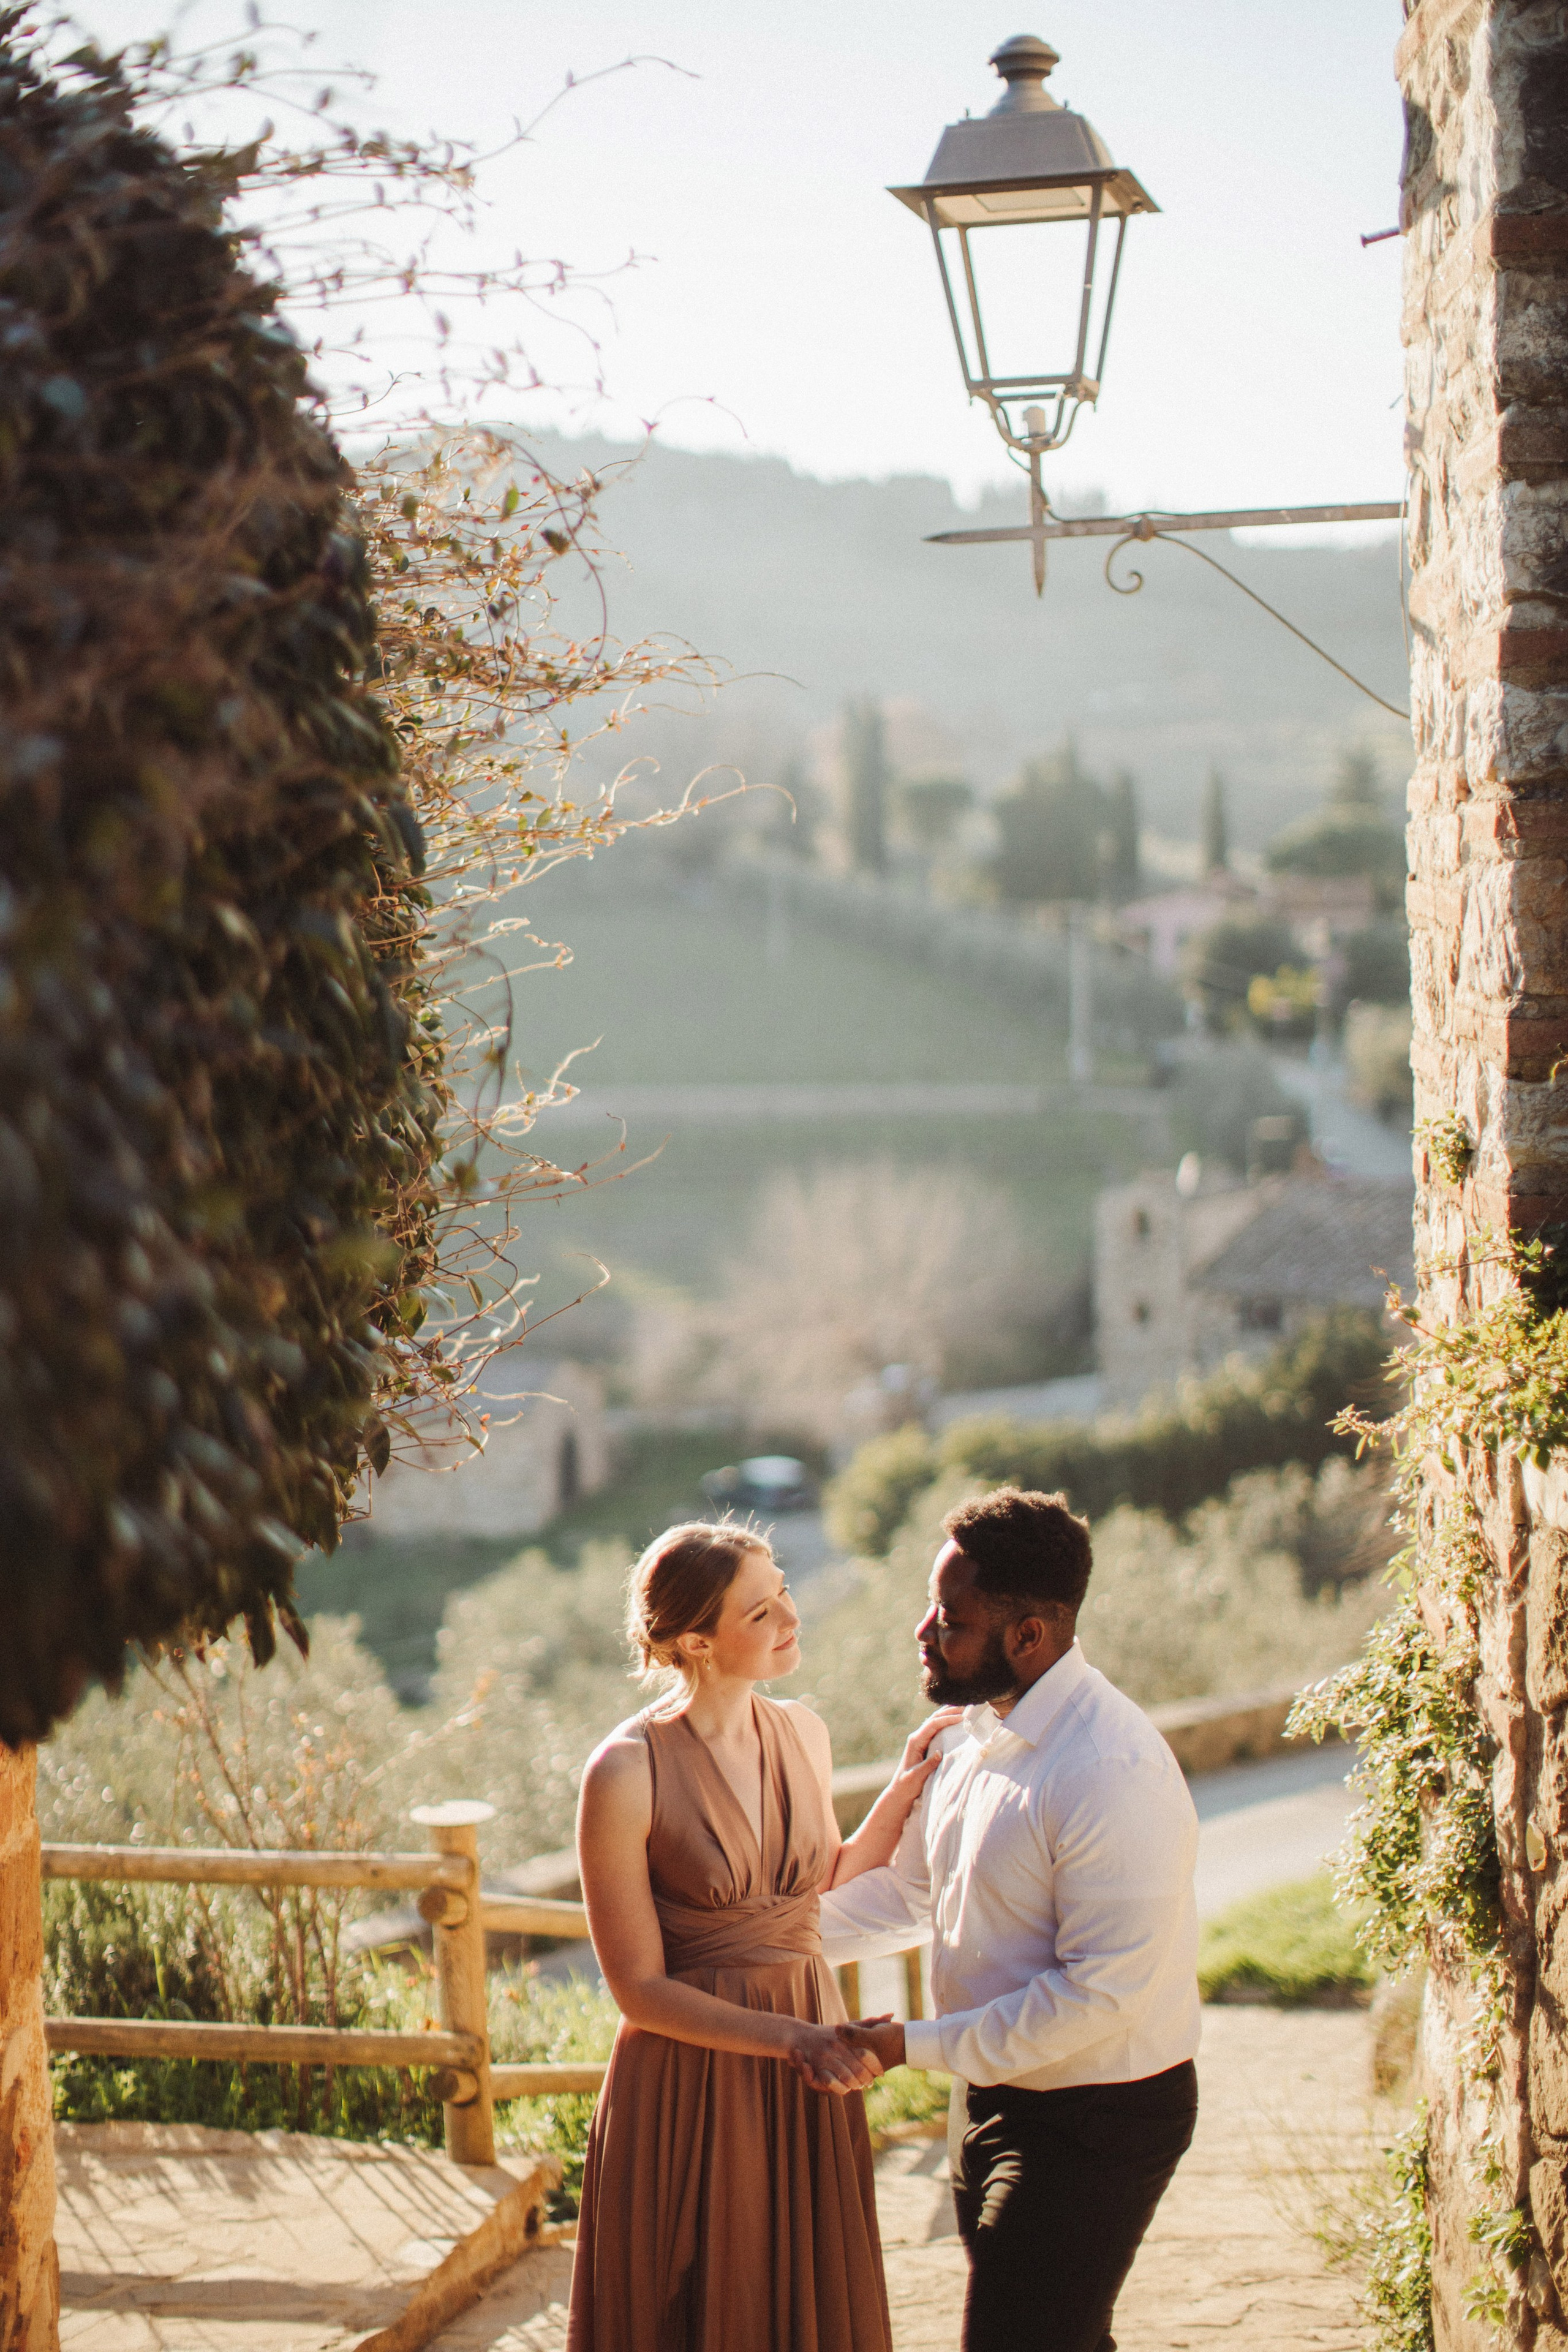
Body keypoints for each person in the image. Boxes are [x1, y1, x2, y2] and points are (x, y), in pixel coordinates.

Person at [820, 1486, 1200, 2352]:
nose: (924, 1632)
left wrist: (901, 2045)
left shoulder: (1109, 1769)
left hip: (1101, 2114)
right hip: (989, 2091)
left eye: (950, 1619)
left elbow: (1101, 1996)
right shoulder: (967, 1736)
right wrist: (760, 1941)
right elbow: (912, 1897)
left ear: (1030, 1636)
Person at [567, 1520, 957, 2352]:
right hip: (693, 2072)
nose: (790, 1618)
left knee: (802, 2302)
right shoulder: (625, 1770)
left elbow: (814, 1881)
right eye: (761, 1612)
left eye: (785, 1595)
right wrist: (794, 2039)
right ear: (696, 1640)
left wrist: (906, 1783)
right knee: (704, 2300)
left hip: (804, 2052)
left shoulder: (802, 1733)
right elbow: (636, 1987)